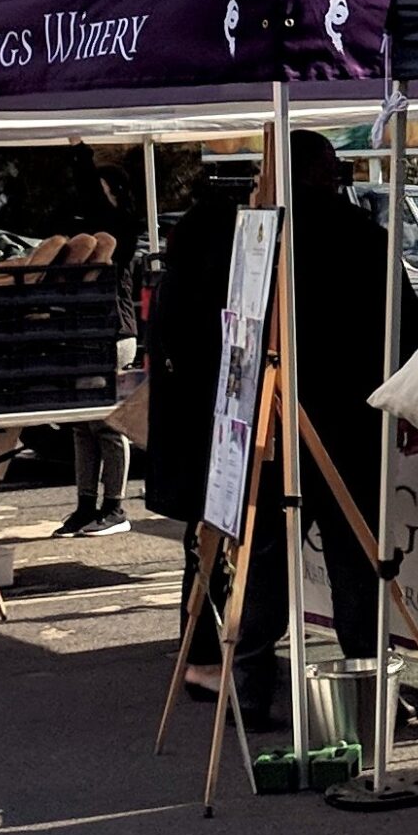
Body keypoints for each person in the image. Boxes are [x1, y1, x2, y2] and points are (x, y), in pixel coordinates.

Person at [230, 132, 418, 729]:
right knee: (356, 565)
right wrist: (406, 408)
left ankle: (252, 689)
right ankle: (370, 688)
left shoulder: (265, 242)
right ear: (327, 173)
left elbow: (234, 332)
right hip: (354, 423)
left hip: (272, 420)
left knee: (264, 563)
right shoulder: (367, 239)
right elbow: (405, 332)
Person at [139, 182, 241, 700]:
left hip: (185, 440)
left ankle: (199, 654)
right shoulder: (206, 288)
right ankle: (202, 657)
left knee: (203, 549)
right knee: (210, 550)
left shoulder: (173, 282)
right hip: (208, 439)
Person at [55, 145, 139, 538]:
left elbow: (97, 204)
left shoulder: (120, 226)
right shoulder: (87, 228)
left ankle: (115, 507)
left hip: (112, 333)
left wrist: (80, 158)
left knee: (107, 424)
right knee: (80, 426)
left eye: (99, 190)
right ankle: (85, 505)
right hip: (84, 333)